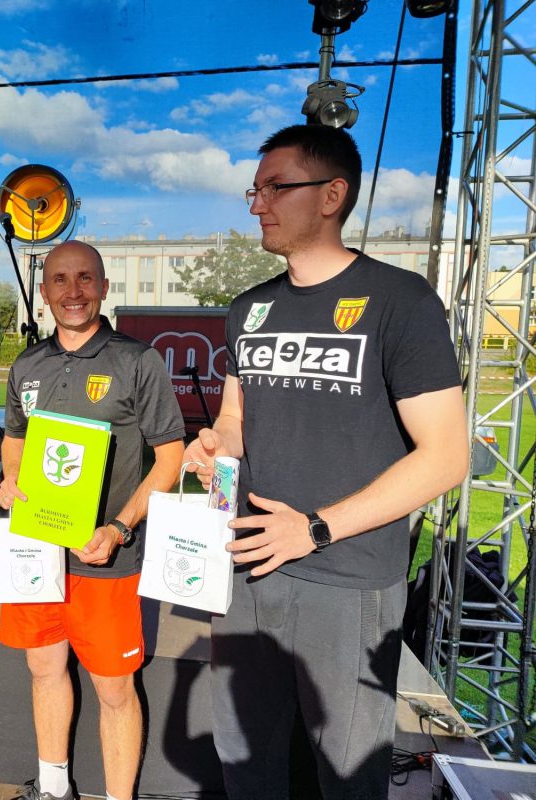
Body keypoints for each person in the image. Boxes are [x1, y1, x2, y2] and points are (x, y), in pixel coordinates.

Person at [183, 124, 469, 800]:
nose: (257, 203)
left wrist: (313, 528)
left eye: (275, 187)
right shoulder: (249, 308)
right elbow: (235, 419)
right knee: (244, 761)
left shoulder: (401, 301)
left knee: (346, 774)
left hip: (348, 577)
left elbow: (446, 457)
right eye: (254, 190)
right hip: (246, 567)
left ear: (332, 195)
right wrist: (215, 444)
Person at [0, 240, 185, 800]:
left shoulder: (137, 361)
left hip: (105, 558)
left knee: (114, 690)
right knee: (44, 669)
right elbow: (15, 439)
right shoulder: (27, 365)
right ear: (44, 291)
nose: (72, 291)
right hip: (37, 551)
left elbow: (170, 458)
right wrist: (12, 480)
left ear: (103, 287)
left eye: (85, 279)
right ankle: (54, 787)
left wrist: (120, 528)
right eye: (60, 279)